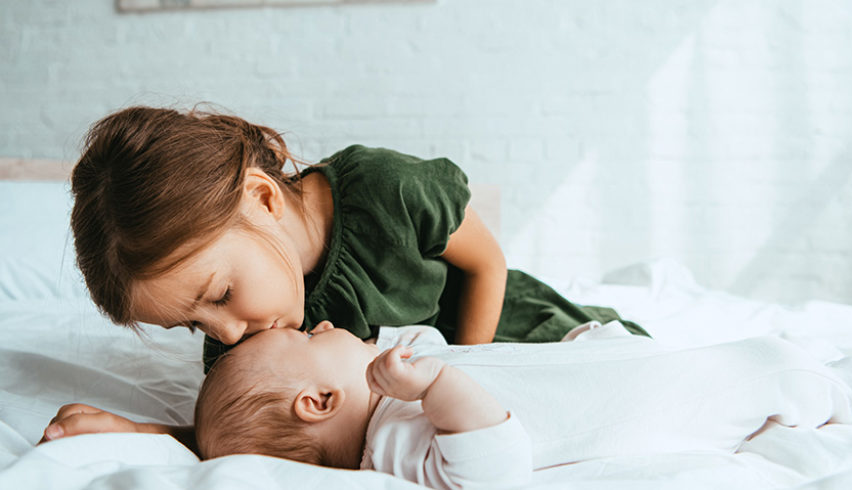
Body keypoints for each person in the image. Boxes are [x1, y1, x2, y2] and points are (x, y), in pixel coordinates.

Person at [40, 105, 647, 451]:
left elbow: (487, 263)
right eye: (192, 323)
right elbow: (264, 430)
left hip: (501, 335)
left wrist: (467, 368)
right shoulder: (249, 338)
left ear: (263, 200)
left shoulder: (390, 189)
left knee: (621, 396)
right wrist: (141, 430)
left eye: (220, 295)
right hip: (441, 417)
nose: (223, 334)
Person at [195, 322, 852, 489]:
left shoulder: (382, 393)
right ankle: (827, 386)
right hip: (641, 406)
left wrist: (412, 365)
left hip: (594, 377)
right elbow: (494, 467)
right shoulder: (388, 448)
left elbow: (433, 345)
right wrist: (430, 387)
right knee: (757, 370)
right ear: (318, 402)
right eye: (309, 337)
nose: (323, 325)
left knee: (685, 356)